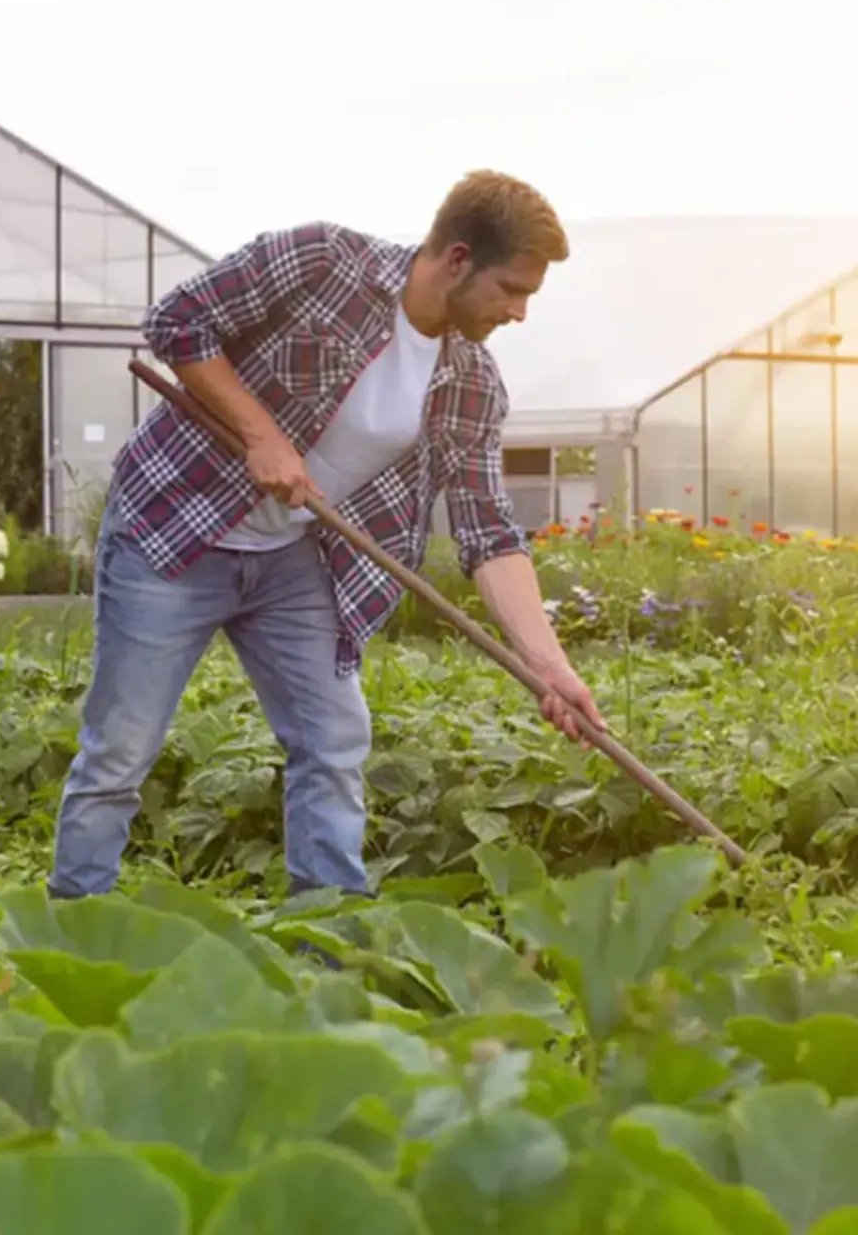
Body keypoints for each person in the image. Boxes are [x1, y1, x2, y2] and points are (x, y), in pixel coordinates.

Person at [47, 170, 604, 901]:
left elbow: (488, 533)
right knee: (121, 749)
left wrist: (550, 668)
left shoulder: (471, 382)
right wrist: (261, 434)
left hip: (293, 560)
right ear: (458, 258)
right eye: (512, 289)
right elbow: (179, 322)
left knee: (334, 740)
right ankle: (75, 928)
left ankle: (330, 938)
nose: (520, 312)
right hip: (177, 533)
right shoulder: (322, 263)